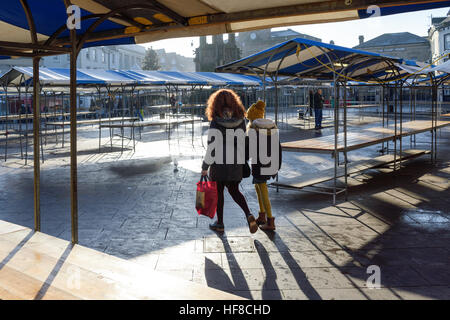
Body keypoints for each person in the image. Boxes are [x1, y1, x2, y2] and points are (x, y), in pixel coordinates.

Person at [201, 89, 258, 234]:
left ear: (215, 104)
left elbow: (212, 147)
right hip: (235, 163)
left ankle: (220, 223)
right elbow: (244, 143)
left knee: (219, 193)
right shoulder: (240, 121)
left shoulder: (215, 122)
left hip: (219, 164)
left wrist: (205, 167)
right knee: (234, 190)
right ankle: (248, 214)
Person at [245, 100, 282, 231]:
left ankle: (270, 220)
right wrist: (277, 165)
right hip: (270, 163)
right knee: (258, 185)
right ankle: (262, 215)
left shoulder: (253, 129)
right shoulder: (272, 126)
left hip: (259, 164)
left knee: (263, 188)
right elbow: (278, 148)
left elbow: (248, 150)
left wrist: (242, 160)